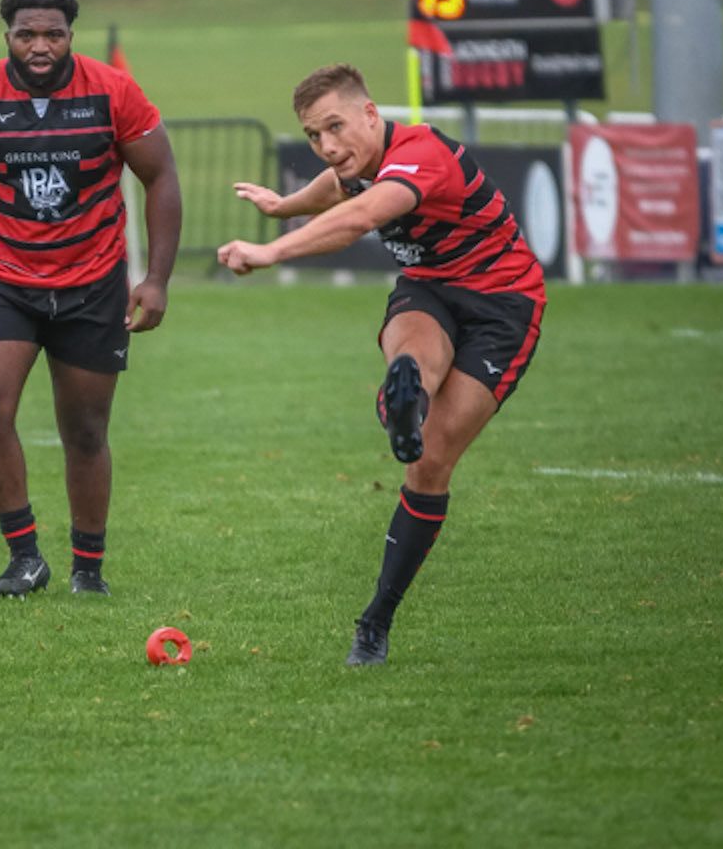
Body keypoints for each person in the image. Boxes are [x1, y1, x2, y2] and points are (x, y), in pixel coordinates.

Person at [217, 62, 545, 669]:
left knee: (434, 458)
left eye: (336, 127)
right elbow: (337, 189)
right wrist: (281, 207)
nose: (328, 146)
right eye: (315, 136)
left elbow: (360, 217)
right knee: (413, 360)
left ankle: (377, 616)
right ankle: (405, 400)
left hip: (504, 304)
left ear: (371, 113)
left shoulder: (419, 154)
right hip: (431, 287)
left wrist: (272, 250)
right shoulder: (359, 164)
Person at [0, 0, 183, 599]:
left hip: (93, 283)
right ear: (6, 34)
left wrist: (157, 280)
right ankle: (25, 556)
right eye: (27, 34)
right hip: (3, 280)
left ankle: (88, 567)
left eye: (53, 34)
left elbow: (160, 176)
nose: (40, 46)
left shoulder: (113, 93)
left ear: (71, 36)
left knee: (86, 430)